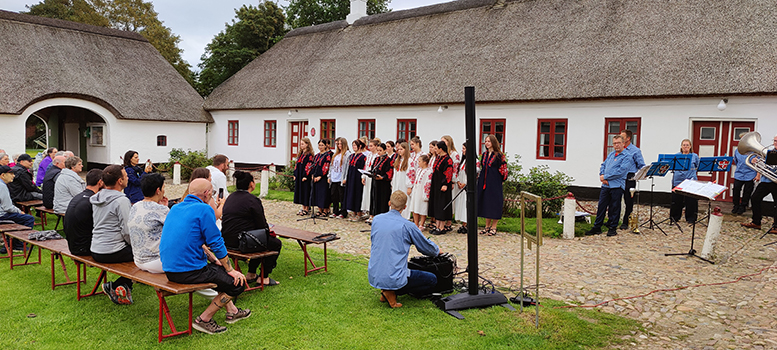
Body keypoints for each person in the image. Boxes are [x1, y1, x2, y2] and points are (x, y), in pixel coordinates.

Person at [160, 178, 250, 334]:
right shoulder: (204, 209)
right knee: (237, 282)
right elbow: (216, 242)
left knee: (220, 273)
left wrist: (215, 260)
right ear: (207, 193)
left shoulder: (176, 208)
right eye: (212, 193)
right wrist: (230, 269)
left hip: (169, 269)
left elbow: (195, 241)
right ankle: (204, 319)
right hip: (188, 271)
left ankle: (233, 312)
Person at [368, 191, 441, 308]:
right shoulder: (408, 226)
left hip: (374, 273)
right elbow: (426, 248)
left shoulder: (376, 219)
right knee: (432, 279)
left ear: (389, 203)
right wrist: (437, 250)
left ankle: (386, 289)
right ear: (405, 207)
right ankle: (391, 291)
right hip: (393, 275)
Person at [221, 171, 282, 286]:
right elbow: (262, 226)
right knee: (275, 243)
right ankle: (264, 277)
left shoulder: (231, 197)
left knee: (258, 240)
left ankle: (251, 273)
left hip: (227, 240)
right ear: (251, 184)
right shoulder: (252, 200)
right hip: (242, 242)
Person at [90, 165, 134, 305]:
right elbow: (127, 231)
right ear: (120, 181)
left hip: (96, 248)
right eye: (126, 176)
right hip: (112, 250)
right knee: (144, 255)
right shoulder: (121, 200)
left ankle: (125, 286)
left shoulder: (97, 197)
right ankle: (116, 286)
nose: (128, 178)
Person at [585, 135, 632, 237]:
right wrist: (602, 175)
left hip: (617, 185)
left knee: (615, 207)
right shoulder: (611, 155)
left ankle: (612, 227)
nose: (616, 145)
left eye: (618, 143)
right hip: (606, 185)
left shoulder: (627, 156)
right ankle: (597, 227)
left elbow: (621, 171)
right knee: (601, 206)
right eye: (614, 143)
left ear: (623, 144)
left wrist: (606, 177)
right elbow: (603, 165)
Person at [127, 173, 169, 273]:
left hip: (138, 259)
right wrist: (165, 208)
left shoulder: (135, 206)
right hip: (157, 262)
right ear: (158, 190)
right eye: (163, 188)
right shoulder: (161, 210)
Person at [741, 133, 777, 235]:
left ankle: (776, 226)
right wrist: (755, 161)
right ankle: (756, 222)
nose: (775, 143)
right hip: (766, 180)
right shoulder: (770, 153)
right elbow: (764, 166)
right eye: (774, 141)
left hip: (776, 183)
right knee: (755, 198)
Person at [64, 169, 103, 256]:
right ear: (100, 183)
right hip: (83, 248)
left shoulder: (78, 197)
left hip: (74, 245)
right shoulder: (93, 201)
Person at [476, 135, 507, 236]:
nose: (487, 143)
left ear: (493, 142)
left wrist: (502, 179)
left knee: (494, 203)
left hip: (494, 181)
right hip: (484, 181)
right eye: (485, 141)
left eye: (489, 141)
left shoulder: (499, 155)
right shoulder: (484, 154)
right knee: (486, 202)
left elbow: (503, 168)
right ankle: (487, 226)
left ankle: (494, 227)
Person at [0, 165, 35, 254]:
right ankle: (18, 245)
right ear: (3, 175)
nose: (14, 176)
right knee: (29, 219)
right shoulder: (2, 186)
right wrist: (19, 211)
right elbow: (7, 207)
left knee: (18, 218)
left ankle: (8, 245)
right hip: (2, 216)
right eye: (11, 174)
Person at [619, 130, 646, 230]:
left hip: (629, 177)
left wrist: (641, 175)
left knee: (628, 201)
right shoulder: (619, 149)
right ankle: (613, 220)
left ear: (628, 138)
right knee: (615, 199)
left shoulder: (635, 151)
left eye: (622, 137)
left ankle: (626, 221)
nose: (620, 139)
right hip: (619, 177)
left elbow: (641, 165)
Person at [669, 139, 701, 224]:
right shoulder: (677, 156)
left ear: (690, 147)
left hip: (690, 181)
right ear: (681, 146)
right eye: (684, 145)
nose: (685, 147)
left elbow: (697, 166)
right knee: (676, 200)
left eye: (687, 145)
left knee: (691, 200)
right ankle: (674, 217)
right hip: (678, 180)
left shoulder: (694, 156)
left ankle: (691, 218)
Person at [429, 141, 454, 235]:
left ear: (441, 149)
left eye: (437, 148)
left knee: (442, 204)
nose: (435, 150)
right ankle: (437, 225)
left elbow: (448, 172)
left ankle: (442, 227)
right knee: (437, 204)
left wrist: (445, 184)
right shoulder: (438, 158)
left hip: (443, 184)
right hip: (436, 183)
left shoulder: (448, 159)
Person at [732, 133, 757, 215]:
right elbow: (736, 161)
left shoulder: (754, 152)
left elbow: (758, 164)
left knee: (747, 191)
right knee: (736, 189)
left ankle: (743, 206)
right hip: (739, 173)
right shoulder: (737, 151)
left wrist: (757, 174)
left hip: (750, 174)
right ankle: (736, 205)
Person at [368, 143, 393, 223]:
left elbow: (389, 172)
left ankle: (382, 218)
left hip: (383, 184)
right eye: (378, 150)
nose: (379, 152)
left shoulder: (388, 160)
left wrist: (382, 177)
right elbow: (373, 168)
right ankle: (374, 215)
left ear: (385, 150)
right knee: (374, 198)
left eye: (380, 150)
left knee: (382, 200)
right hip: (375, 182)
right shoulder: (376, 159)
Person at [344, 139, 366, 221]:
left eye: (355, 145)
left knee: (357, 194)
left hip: (357, 178)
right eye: (352, 145)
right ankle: (353, 212)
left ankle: (359, 213)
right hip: (351, 177)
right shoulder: (352, 156)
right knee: (351, 194)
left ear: (359, 146)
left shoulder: (363, 157)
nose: (353, 147)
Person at [409, 155, 432, 231]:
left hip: (422, 191)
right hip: (416, 189)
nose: (418, 163)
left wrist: (426, 193)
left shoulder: (428, 171)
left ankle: (421, 224)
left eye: (419, 161)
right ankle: (416, 223)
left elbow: (428, 183)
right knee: (415, 207)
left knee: (422, 208)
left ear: (424, 162)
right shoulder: (418, 170)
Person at [329, 137, 350, 219]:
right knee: (334, 195)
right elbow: (331, 166)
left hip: (341, 177)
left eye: (341, 144)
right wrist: (329, 175)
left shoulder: (347, 154)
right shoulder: (336, 154)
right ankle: (335, 211)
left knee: (342, 196)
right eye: (338, 144)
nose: (339, 145)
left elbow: (347, 167)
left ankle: (343, 212)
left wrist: (345, 178)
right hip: (334, 177)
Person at [312, 139, 333, 217]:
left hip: (323, 178)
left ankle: (325, 210)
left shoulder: (327, 155)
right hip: (316, 177)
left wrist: (320, 176)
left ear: (325, 146)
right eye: (319, 145)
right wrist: (313, 175)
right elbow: (313, 165)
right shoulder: (317, 155)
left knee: (324, 194)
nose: (320, 147)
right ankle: (319, 209)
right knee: (317, 194)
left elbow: (326, 167)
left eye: (322, 145)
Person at [391, 142, 412, 219]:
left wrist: (409, 186)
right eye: (398, 149)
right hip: (397, 183)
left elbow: (411, 174)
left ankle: (405, 217)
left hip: (404, 184)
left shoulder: (409, 161)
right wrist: (392, 183)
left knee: (403, 199)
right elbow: (394, 173)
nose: (399, 151)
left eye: (401, 149)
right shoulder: (398, 160)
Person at [293, 138, 314, 216]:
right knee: (301, 191)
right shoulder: (301, 154)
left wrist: (306, 175)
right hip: (299, 175)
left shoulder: (309, 155)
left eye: (303, 144)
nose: (301, 146)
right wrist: (295, 174)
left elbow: (309, 166)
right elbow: (296, 165)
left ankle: (307, 208)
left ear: (307, 144)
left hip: (305, 177)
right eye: (300, 144)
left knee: (305, 192)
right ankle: (303, 207)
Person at [361, 139, 379, 218]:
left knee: (371, 194)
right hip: (367, 176)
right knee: (366, 194)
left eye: (371, 146)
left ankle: (372, 211)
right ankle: (367, 210)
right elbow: (366, 166)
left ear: (376, 146)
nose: (370, 147)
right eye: (369, 146)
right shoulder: (369, 155)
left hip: (373, 177)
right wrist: (363, 176)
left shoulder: (377, 156)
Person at [453, 143, 469, 234]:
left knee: (465, 206)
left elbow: (474, 174)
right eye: (462, 148)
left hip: (466, 187)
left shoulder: (474, 161)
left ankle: (466, 224)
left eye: (464, 148)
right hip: (460, 186)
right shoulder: (463, 161)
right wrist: (458, 181)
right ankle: (462, 224)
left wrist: (465, 183)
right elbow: (459, 172)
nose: (462, 150)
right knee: (461, 205)